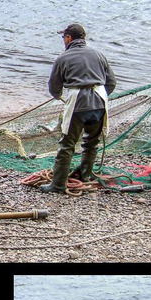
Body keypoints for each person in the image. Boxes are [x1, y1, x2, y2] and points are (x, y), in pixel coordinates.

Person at [41, 23, 118, 193]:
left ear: (69, 38)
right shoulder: (99, 55)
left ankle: (58, 184)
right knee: (92, 142)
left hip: (78, 102)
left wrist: (62, 98)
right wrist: (100, 96)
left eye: (63, 37)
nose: (63, 40)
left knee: (67, 145)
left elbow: (54, 88)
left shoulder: (63, 58)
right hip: (100, 102)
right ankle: (85, 175)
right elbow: (111, 82)